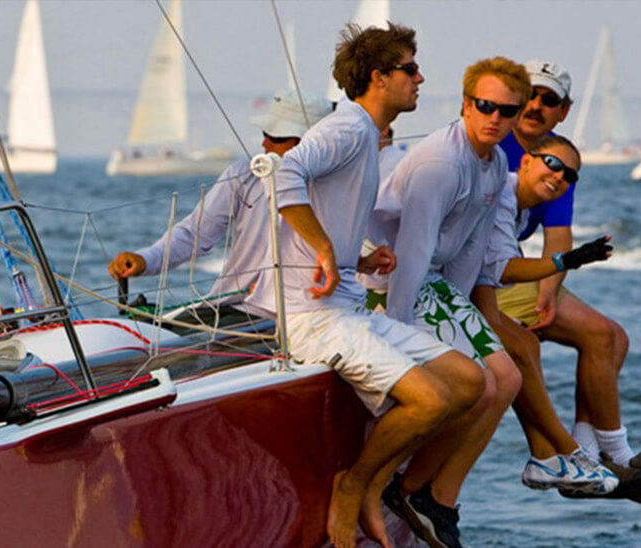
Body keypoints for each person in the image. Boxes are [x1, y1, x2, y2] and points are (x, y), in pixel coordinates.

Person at [267, 24, 484, 548]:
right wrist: (322, 247)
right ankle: (355, 486)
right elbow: (283, 174)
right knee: (430, 402)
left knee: (470, 382)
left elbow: (327, 202)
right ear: (378, 78)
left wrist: (361, 254)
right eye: (410, 68)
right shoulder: (348, 129)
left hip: (348, 307)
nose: (420, 78)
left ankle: (378, 483)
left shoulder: (363, 135)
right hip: (313, 315)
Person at [495, 60, 641, 505]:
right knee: (603, 336)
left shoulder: (560, 160)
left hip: (512, 273)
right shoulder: (492, 144)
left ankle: (586, 454)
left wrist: (547, 291)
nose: (537, 106)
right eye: (531, 95)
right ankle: (606, 456)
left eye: (550, 100)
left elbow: (558, 239)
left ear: (564, 111)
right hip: (481, 277)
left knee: (614, 339)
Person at [367, 57, 532, 548]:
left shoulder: (497, 163)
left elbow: (470, 249)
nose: (494, 118)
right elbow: (413, 248)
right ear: (465, 104)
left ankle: (432, 495)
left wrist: (468, 317)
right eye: (484, 106)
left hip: (434, 280)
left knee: (508, 378)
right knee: (478, 382)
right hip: (390, 279)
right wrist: (396, 336)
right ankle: (409, 487)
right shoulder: (442, 162)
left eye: (506, 111)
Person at [476, 134, 623, 495]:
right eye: (553, 165)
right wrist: (565, 261)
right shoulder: (502, 193)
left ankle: (563, 453)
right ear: (525, 161)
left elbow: (491, 270)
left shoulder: (520, 206)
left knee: (528, 347)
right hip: (430, 284)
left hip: (470, 283)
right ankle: (571, 452)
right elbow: (502, 269)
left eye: (569, 176)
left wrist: (560, 268)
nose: (559, 177)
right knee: (517, 355)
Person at [108, 88, 332, 323]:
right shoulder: (244, 175)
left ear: (309, 144)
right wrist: (146, 260)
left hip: (299, 312)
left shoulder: (336, 186)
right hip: (233, 306)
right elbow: (195, 232)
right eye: (265, 133)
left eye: (276, 138)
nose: (264, 142)